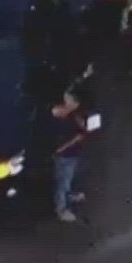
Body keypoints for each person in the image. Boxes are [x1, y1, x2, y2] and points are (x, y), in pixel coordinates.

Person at [48, 82, 96, 222]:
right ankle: (62, 210)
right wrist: (65, 147)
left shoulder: (73, 116)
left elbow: (82, 130)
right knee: (63, 182)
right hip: (65, 155)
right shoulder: (61, 118)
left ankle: (70, 195)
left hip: (71, 154)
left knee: (70, 177)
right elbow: (73, 138)